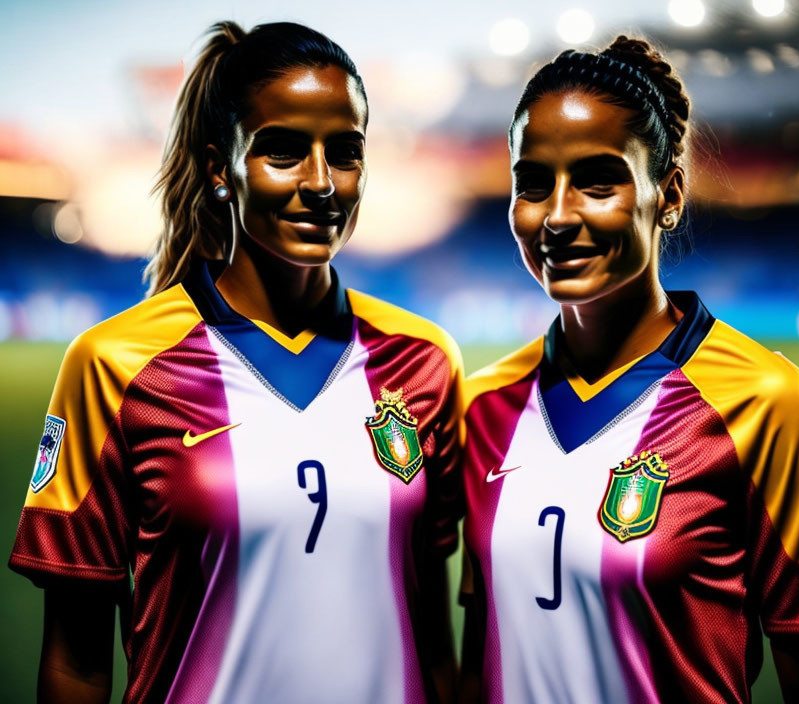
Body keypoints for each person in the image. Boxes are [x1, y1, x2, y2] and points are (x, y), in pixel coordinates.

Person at [10, 21, 462, 704]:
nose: (320, 183)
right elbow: (75, 664)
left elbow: (435, 641)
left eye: (344, 152)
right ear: (222, 166)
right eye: (281, 151)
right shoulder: (114, 364)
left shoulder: (426, 362)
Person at [460, 37, 799, 704]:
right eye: (533, 183)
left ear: (669, 194)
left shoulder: (771, 405)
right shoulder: (480, 409)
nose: (558, 216)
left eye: (598, 180)